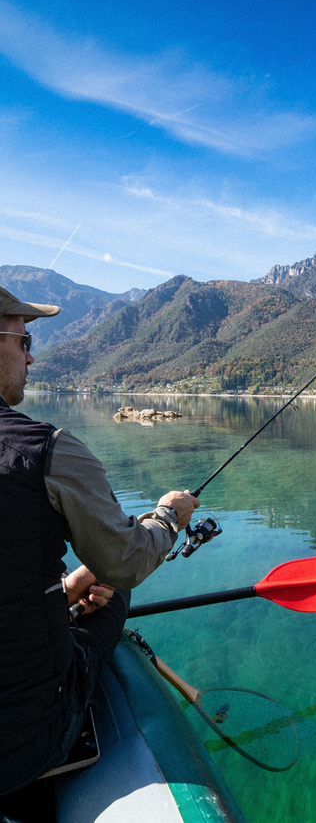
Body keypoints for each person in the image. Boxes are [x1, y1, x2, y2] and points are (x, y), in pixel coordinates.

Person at [0, 285, 200, 796]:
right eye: (23, 342)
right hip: (23, 741)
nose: (31, 355)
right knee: (117, 590)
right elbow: (126, 561)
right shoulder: (46, 451)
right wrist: (167, 518)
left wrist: (66, 589)